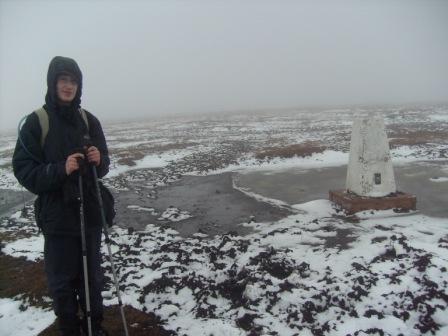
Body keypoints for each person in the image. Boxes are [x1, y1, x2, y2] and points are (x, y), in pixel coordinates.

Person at [12, 56, 110, 336]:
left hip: (89, 213)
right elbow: (24, 171)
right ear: (53, 83)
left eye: (73, 81)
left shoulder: (89, 120)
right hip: (57, 218)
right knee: (62, 282)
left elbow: (103, 167)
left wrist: (98, 159)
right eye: (63, 80)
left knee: (92, 277)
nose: (69, 86)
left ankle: (95, 327)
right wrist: (60, 169)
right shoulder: (36, 122)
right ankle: (69, 329)